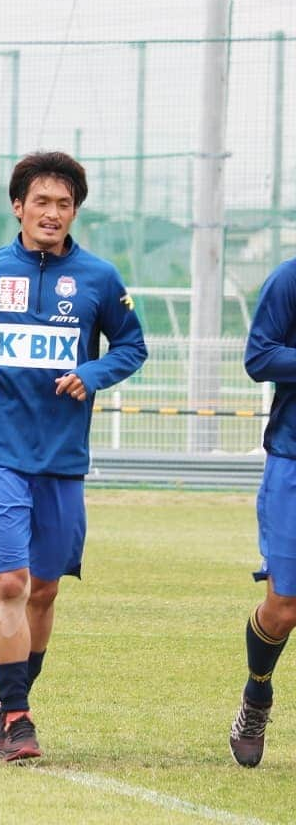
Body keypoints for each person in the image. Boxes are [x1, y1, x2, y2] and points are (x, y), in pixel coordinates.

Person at [0, 150, 147, 762]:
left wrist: (93, 372)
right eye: (41, 202)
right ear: (18, 207)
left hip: (62, 457)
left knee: (46, 590)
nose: (51, 213)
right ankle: (18, 716)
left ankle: (10, 701)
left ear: (74, 210)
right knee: (10, 580)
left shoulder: (101, 279)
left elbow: (132, 346)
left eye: (63, 203)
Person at [228, 254, 296, 767]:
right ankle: (257, 696)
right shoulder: (289, 278)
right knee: (284, 609)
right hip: (292, 460)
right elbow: (260, 358)